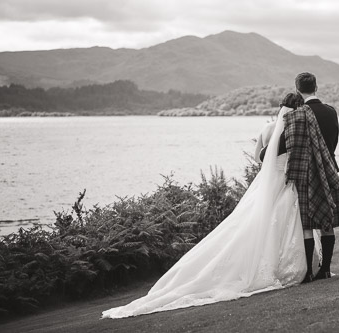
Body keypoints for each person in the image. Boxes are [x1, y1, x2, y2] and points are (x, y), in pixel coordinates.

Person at [102, 93, 307, 319]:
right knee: (279, 222)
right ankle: (278, 265)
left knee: (252, 222)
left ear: (280, 107)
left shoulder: (268, 128)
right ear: (297, 109)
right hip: (284, 182)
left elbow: (259, 159)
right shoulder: (294, 130)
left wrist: (272, 166)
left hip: (264, 183)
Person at [284, 72, 339, 283]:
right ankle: (326, 269)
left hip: (306, 174)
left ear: (297, 89)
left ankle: (308, 273)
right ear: (316, 87)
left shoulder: (297, 115)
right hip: (328, 169)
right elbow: (334, 141)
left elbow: (290, 146)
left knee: (307, 225)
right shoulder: (331, 112)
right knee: (327, 220)